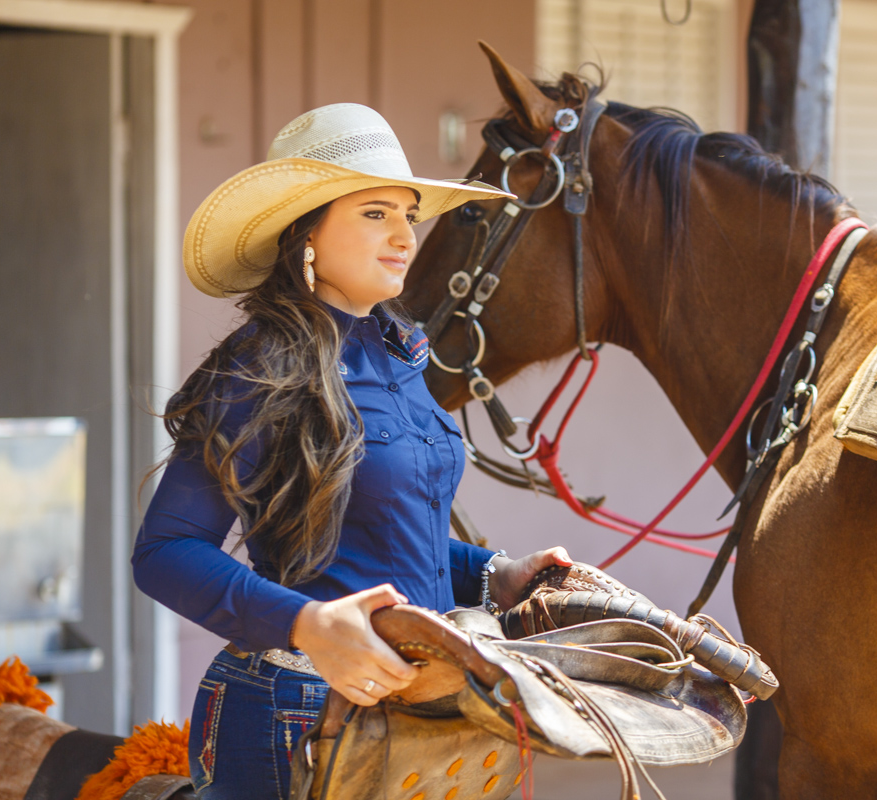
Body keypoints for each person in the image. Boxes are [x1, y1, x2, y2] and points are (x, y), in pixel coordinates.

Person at [132, 103, 572, 799]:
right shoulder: (258, 366)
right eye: (375, 213)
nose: (404, 236)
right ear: (306, 232)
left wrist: (495, 574)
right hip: (297, 713)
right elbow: (165, 552)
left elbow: (378, 532)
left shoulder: (400, 356)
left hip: (428, 714)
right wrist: (307, 624)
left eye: (408, 215)